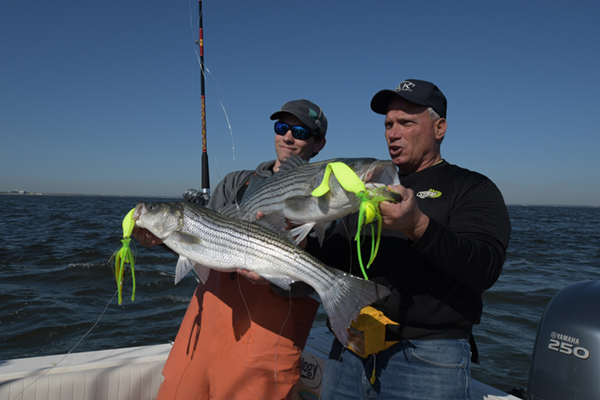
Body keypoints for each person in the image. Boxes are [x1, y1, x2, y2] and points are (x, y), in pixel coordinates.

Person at [306, 79, 511, 399]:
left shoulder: (472, 188)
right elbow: (336, 257)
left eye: (406, 122)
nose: (393, 132)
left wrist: (416, 225)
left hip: (426, 358)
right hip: (350, 348)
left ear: (439, 127)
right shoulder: (368, 187)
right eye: (388, 123)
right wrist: (299, 232)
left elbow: (484, 267)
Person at [134, 99, 328, 400]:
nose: (288, 137)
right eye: (281, 127)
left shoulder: (325, 197)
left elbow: (317, 268)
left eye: (300, 131)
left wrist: (277, 272)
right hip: (203, 328)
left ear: (319, 144)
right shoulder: (237, 183)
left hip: (267, 337)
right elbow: (200, 242)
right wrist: (159, 239)